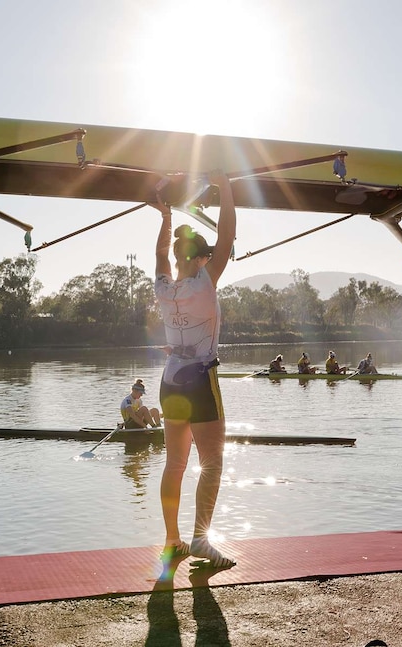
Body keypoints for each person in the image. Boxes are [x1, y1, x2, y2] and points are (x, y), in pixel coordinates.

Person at [153, 168, 237, 568]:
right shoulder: (205, 282)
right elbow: (228, 239)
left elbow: (159, 255)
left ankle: (172, 540)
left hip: (170, 381)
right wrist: (226, 188)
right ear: (201, 259)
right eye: (208, 256)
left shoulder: (162, 287)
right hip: (202, 380)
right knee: (212, 462)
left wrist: (165, 217)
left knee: (175, 464)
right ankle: (200, 539)